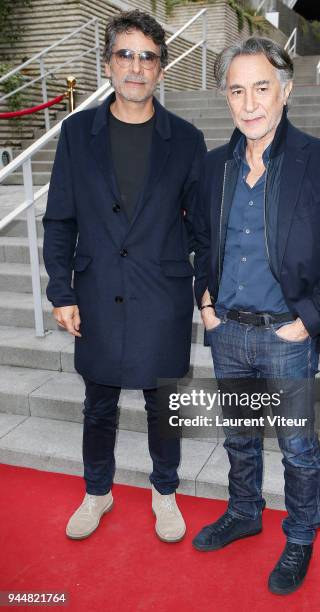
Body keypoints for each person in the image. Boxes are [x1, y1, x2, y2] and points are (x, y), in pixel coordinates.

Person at [192, 37, 320, 595]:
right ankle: (244, 511)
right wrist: (206, 303)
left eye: (261, 87)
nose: (250, 103)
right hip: (229, 332)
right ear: (225, 98)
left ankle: (299, 536)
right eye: (237, 91)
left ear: (286, 90)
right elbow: (198, 241)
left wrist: (308, 320)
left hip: (286, 336)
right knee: (239, 437)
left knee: (296, 446)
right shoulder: (213, 166)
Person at [42, 10, 206, 542]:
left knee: (164, 404)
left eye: (148, 57)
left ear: (162, 68)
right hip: (96, 291)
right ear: (108, 64)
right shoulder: (75, 134)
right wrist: (61, 290)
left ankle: (165, 493)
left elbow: (203, 229)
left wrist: (204, 292)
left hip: (162, 296)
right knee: (99, 403)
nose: (136, 67)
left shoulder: (185, 139)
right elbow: (61, 218)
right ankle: (97, 492)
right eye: (125, 55)